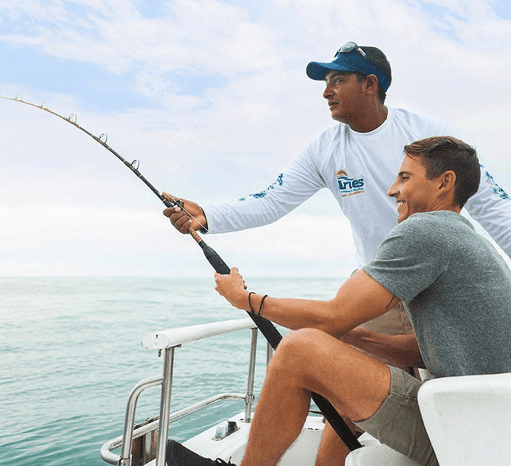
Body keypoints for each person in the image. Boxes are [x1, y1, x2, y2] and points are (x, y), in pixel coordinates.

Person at [162, 42, 511, 463]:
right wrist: (208, 216)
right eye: (325, 82)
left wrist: (246, 299)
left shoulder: (427, 142)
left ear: (370, 85)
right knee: (338, 375)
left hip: (416, 290)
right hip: (378, 286)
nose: (327, 90)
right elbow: (272, 201)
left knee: (305, 349)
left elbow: (495, 208)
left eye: (338, 80)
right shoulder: (326, 148)